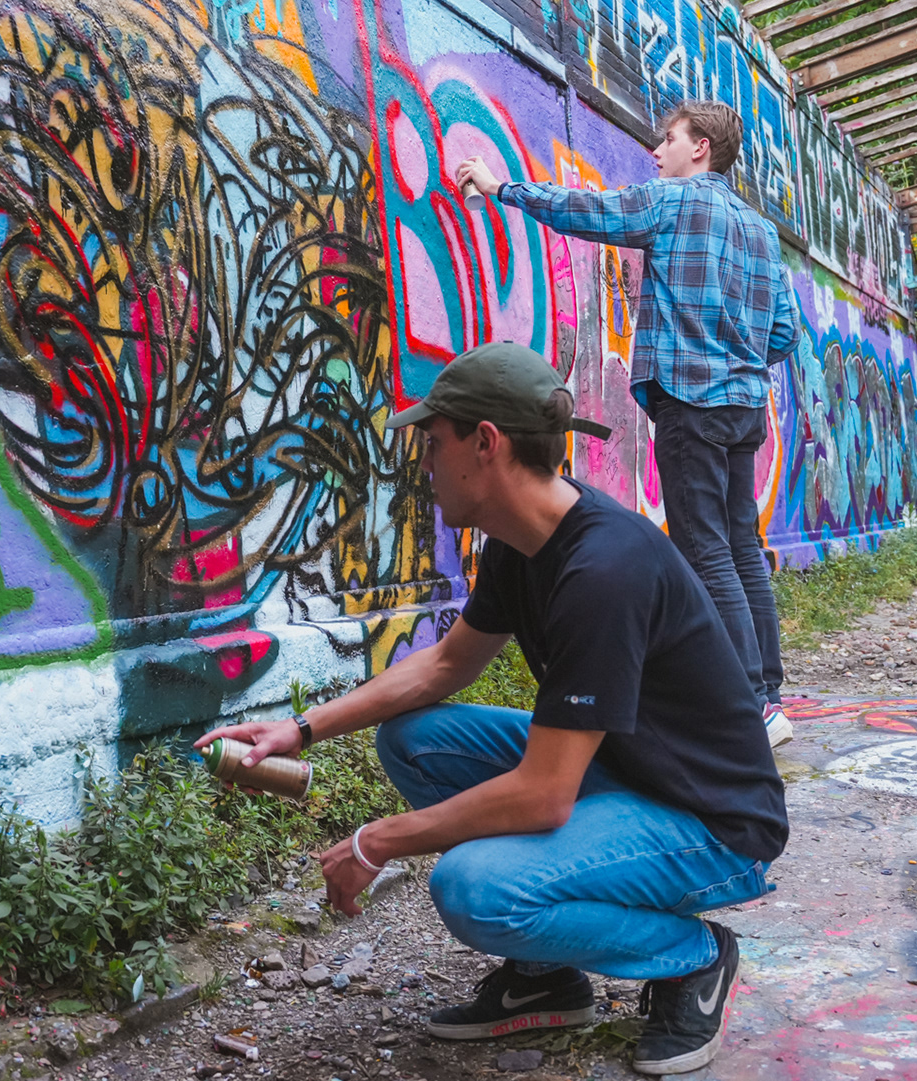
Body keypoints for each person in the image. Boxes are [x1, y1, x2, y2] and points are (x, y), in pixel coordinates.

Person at [195, 343, 788, 1076]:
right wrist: (298, 727)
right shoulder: (524, 540)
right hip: (628, 776)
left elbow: (543, 794)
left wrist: (375, 840)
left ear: (486, 443)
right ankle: (545, 974)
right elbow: (446, 665)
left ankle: (694, 957)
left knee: (474, 887)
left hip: (714, 822)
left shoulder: (605, 570)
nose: (425, 463)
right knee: (416, 740)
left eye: (433, 442)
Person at [456, 101, 800, 747]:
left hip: (691, 401)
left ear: (700, 147)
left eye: (666, 139)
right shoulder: (759, 231)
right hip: (743, 406)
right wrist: (736, 353)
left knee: (706, 550)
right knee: (741, 546)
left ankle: (748, 705)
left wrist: (502, 187)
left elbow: (593, 212)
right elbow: (782, 331)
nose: (655, 151)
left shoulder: (673, 202)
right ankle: (769, 696)